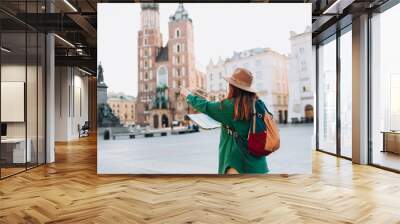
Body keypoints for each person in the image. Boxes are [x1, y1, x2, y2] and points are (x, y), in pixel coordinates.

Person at [180, 68, 268, 174]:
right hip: (258, 164)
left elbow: (206, 106)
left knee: (233, 190)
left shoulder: (231, 106)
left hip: (237, 164)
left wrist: (188, 95)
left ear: (233, 87)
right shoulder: (258, 104)